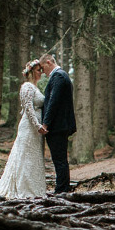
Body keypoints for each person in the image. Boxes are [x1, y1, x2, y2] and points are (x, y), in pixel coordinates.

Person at [0, 59, 46, 199]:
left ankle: (34, 188)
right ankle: (22, 189)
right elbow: (28, 108)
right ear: (31, 72)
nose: (41, 72)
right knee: (25, 155)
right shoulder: (27, 87)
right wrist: (37, 126)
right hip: (29, 127)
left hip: (37, 129)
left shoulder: (36, 88)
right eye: (38, 70)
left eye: (41, 70)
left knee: (33, 156)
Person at [38, 53, 76, 194]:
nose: (42, 72)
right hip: (60, 125)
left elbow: (53, 102)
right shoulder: (60, 75)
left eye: (43, 68)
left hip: (58, 126)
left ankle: (62, 190)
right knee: (59, 159)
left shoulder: (59, 76)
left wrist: (46, 124)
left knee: (59, 160)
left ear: (49, 62)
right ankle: (62, 188)